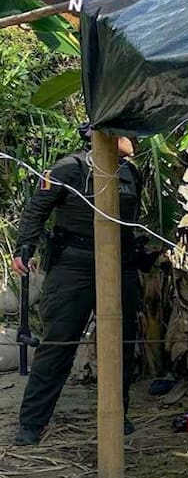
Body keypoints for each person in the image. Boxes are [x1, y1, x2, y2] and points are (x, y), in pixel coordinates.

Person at [11, 130, 147, 446]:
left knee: (121, 345)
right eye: (126, 133)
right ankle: (31, 422)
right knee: (58, 343)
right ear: (104, 135)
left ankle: (117, 415)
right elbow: (37, 208)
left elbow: (133, 219)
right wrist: (24, 247)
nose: (133, 140)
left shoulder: (130, 172)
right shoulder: (68, 168)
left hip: (120, 263)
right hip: (74, 264)